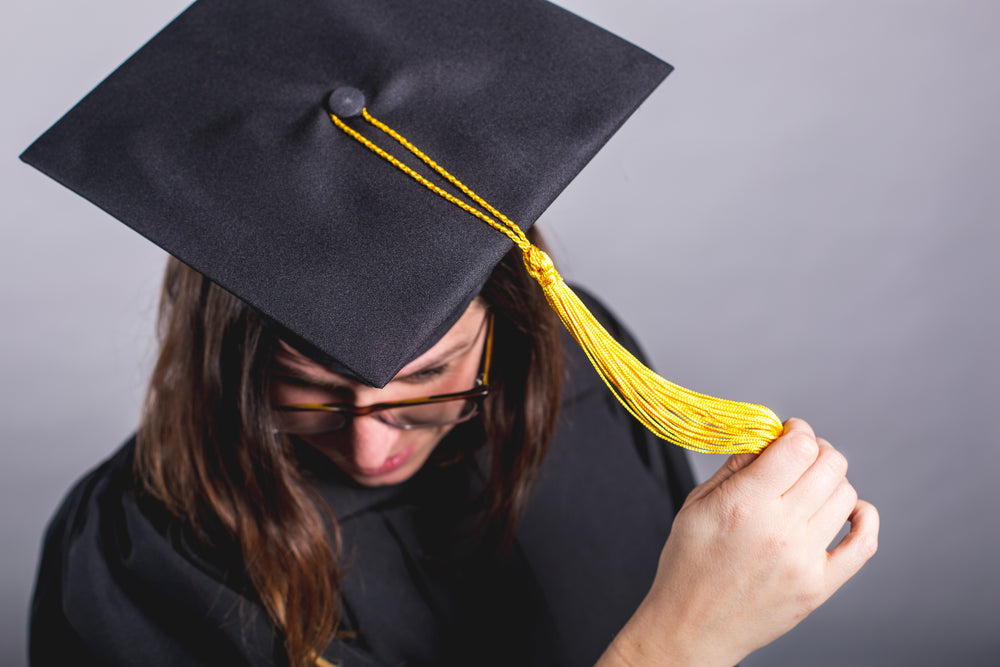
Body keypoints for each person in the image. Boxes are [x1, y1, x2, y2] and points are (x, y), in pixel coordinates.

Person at [22, 1, 879, 666]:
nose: (366, 444)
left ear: (509, 314)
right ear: (229, 355)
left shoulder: (580, 369)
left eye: (429, 380)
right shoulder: (139, 555)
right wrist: (684, 638)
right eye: (310, 386)